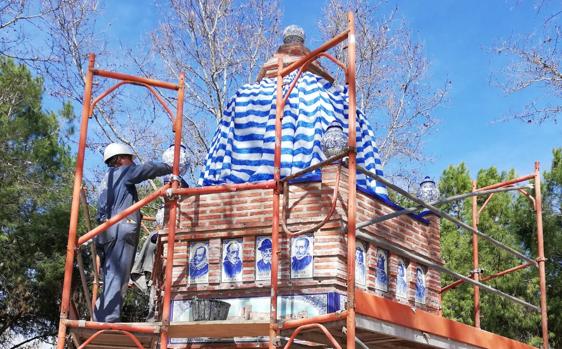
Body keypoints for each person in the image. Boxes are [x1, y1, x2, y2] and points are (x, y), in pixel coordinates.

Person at [94, 143, 172, 323]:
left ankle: (100, 316)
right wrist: (169, 167)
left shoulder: (107, 179)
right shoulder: (123, 172)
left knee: (110, 278)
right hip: (121, 231)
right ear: (121, 158)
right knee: (118, 277)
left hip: (105, 234)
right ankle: (108, 322)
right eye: (130, 159)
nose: (132, 162)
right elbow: (146, 170)